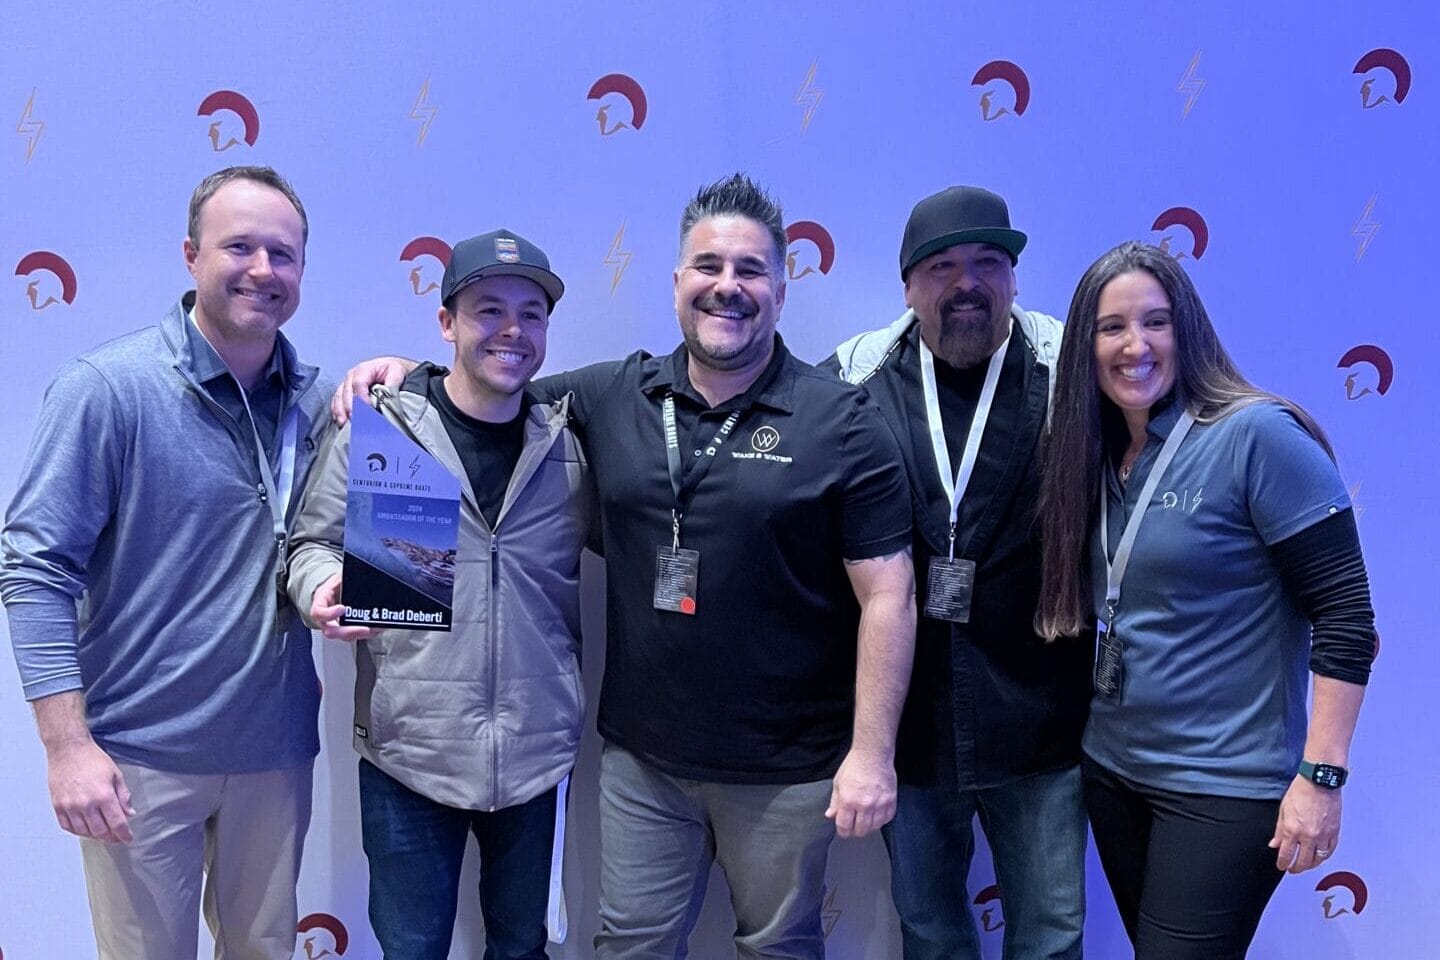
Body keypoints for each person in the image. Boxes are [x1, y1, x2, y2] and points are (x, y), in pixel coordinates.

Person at [336, 173, 917, 960]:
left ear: (782, 289)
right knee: (629, 949)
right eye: (708, 267)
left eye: (750, 270)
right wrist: (403, 371)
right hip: (644, 765)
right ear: (678, 283)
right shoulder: (614, 393)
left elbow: (889, 594)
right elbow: (489, 389)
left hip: (789, 770)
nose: (728, 287)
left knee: (780, 948)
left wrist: (871, 753)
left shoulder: (842, 418)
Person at [1, 165, 326, 959]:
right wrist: (67, 747)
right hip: (139, 760)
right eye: (239, 246)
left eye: (282, 255)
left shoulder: (320, 403)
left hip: (275, 755)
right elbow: (35, 569)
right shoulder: (107, 390)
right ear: (190, 255)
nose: (262, 270)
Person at [1035, 240, 1376, 959]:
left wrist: (1321, 778)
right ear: (1084, 346)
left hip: (1226, 787)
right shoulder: (1092, 453)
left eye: (1156, 322)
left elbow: (1347, 618)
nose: (1136, 346)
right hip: (1115, 772)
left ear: (1186, 330)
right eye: (1112, 327)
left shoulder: (1257, 436)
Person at [287, 229, 591, 960]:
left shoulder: (572, 445)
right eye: (489, 310)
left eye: (532, 313)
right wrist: (321, 586)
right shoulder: (385, 427)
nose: (512, 330)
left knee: (522, 948)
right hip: (410, 752)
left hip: (534, 754)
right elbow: (310, 543)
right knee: (412, 948)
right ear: (447, 322)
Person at [823, 185, 1089, 960]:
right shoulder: (855, 378)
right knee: (931, 932)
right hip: (908, 726)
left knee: (1049, 939)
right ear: (908, 287)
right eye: (941, 266)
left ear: (1014, 278)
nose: (966, 282)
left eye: (987, 263)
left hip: (1042, 720)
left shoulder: (1070, 372)